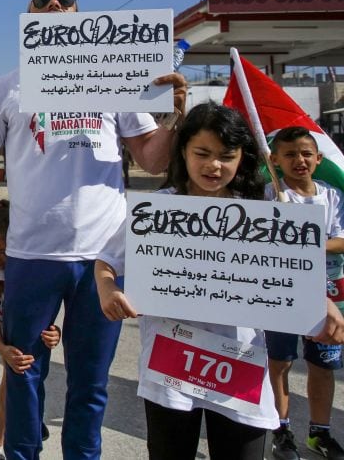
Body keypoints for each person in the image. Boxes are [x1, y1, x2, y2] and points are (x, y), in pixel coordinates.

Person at [0, 0, 188, 460]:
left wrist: (175, 117)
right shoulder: (4, 88)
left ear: (81, 15)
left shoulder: (117, 81)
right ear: (27, 20)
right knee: (24, 372)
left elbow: (151, 159)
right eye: (42, 1)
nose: (55, 6)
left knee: (90, 382)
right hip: (31, 256)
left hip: (102, 261)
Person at [95, 102, 344, 460]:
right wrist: (107, 288)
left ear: (242, 157)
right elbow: (106, 261)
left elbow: (293, 278)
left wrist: (320, 305)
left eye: (227, 155)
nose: (214, 165)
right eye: (203, 153)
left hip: (241, 367)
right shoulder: (156, 210)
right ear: (183, 152)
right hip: (171, 369)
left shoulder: (265, 213)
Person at [262, 127, 344, 460]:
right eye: (290, 154)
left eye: (306, 154)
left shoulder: (332, 196)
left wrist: (306, 246)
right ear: (276, 160)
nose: (300, 160)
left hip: (328, 292)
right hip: (281, 293)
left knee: (322, 366)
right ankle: (281, 430)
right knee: (280, 362)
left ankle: (319, 432)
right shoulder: (270, 194)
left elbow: (341, 240)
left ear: (318, 158)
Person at [0, 199, 61, 460]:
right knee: (12, 382)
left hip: (24, 329)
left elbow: (53, 305)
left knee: (21, 379)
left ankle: (24, 423)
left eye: (0, 251)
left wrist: (57, 330)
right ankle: (0, 444)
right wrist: (1, 347)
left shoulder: (28, 266)